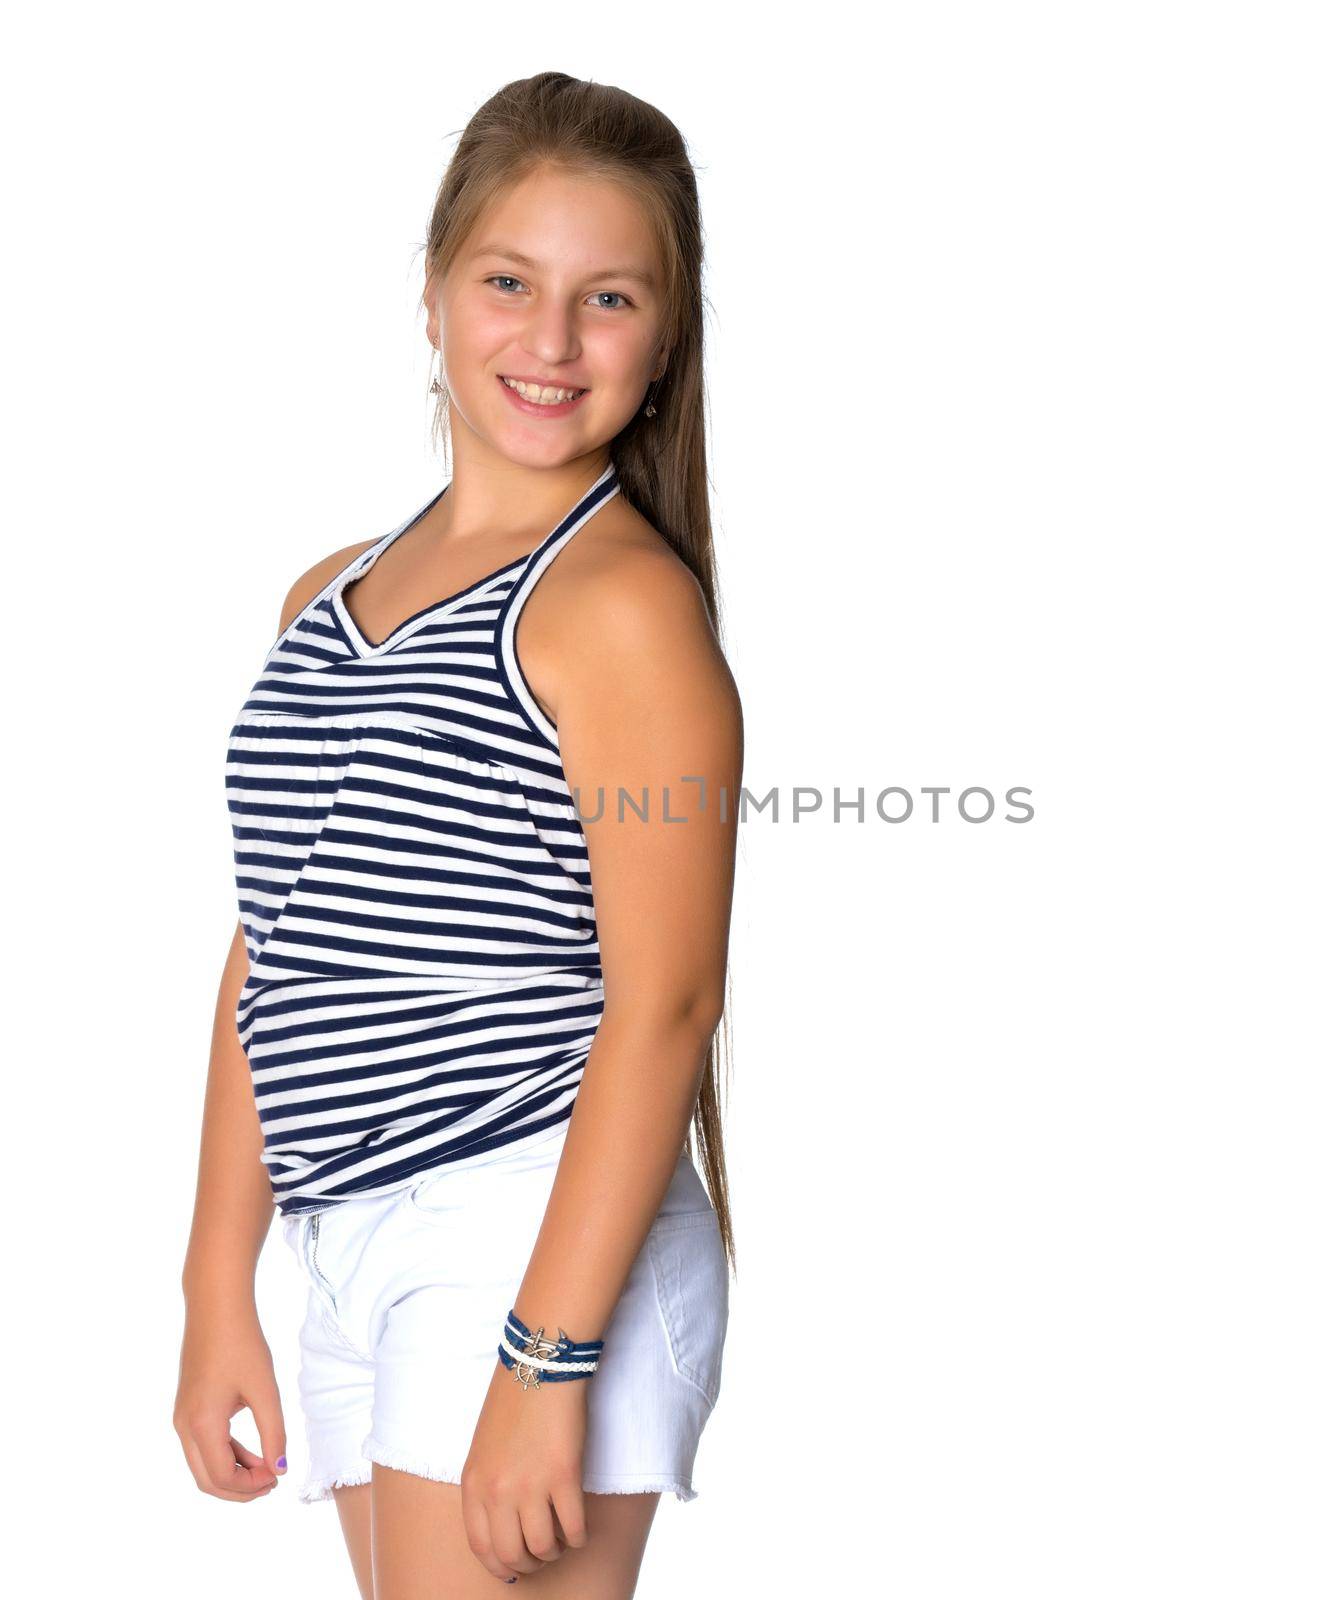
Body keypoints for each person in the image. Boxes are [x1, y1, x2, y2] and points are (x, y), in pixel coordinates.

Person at [173, 71, 742, 1598]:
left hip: (525, 1230)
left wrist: (546, 1359)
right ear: (432, 295)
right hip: (350, 1234)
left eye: (607, 297)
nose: (549, 343)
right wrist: (214, 1279)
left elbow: (666, 1004)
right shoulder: (328, 598)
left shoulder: (614, 609)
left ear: (663, 338)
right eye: (509, 282)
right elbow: (275, 937)